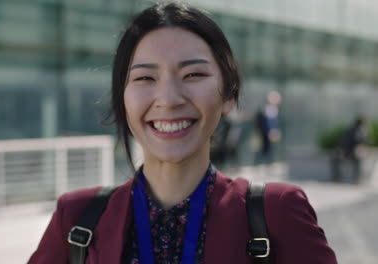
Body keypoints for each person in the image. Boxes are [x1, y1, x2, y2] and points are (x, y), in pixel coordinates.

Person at [28, 3, 337, 263]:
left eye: (193, 74)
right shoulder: (77, 218)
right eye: (146, 78)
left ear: (229, 95)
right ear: (122, 98)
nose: (169, 99)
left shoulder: (276, 211)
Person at [254, 91, 282, 164]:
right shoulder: (270, 109)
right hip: (267, 133)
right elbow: (269, 122)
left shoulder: (269, 108)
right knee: (265, 149)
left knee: (266, 149)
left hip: (265, 132)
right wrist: (272, 131)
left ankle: (263, 163)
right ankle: (263, 163)